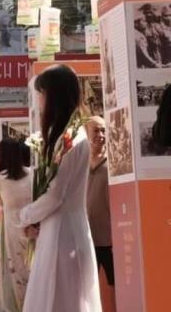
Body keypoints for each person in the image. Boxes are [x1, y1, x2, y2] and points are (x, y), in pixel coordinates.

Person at [19, 64, 101, 312]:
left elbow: (55, 195)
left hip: (65, 236)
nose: (39, 101)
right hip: (59, 230)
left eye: (42, 94)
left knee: (61, 300)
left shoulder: (71, 140)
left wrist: (26, 216)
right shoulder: (68, 137)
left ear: (54, 96)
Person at [0, 139, 33, 312]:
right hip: (31, 227)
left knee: (14, 270)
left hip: (12, 229)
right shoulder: (31, 174)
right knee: (30, 268)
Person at [86, 117, 115, 312]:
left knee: (116, 286)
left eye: (104, 130)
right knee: (88, 290)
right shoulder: (80, 163)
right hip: (87, 238)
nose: (101, 135)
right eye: (96, 130)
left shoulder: (112, 163)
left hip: (110, 240)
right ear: (86, 133)